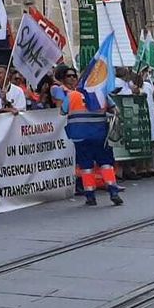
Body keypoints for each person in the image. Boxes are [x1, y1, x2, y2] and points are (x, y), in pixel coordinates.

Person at [54, 66, 123, 206]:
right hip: (99, 135)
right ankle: (113, 191)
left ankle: (90, 196)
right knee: (106, 164)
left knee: (86, 166)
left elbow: (62, 111)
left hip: (80, 136)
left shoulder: (72, 95)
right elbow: (116, 110)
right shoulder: (101, 93)